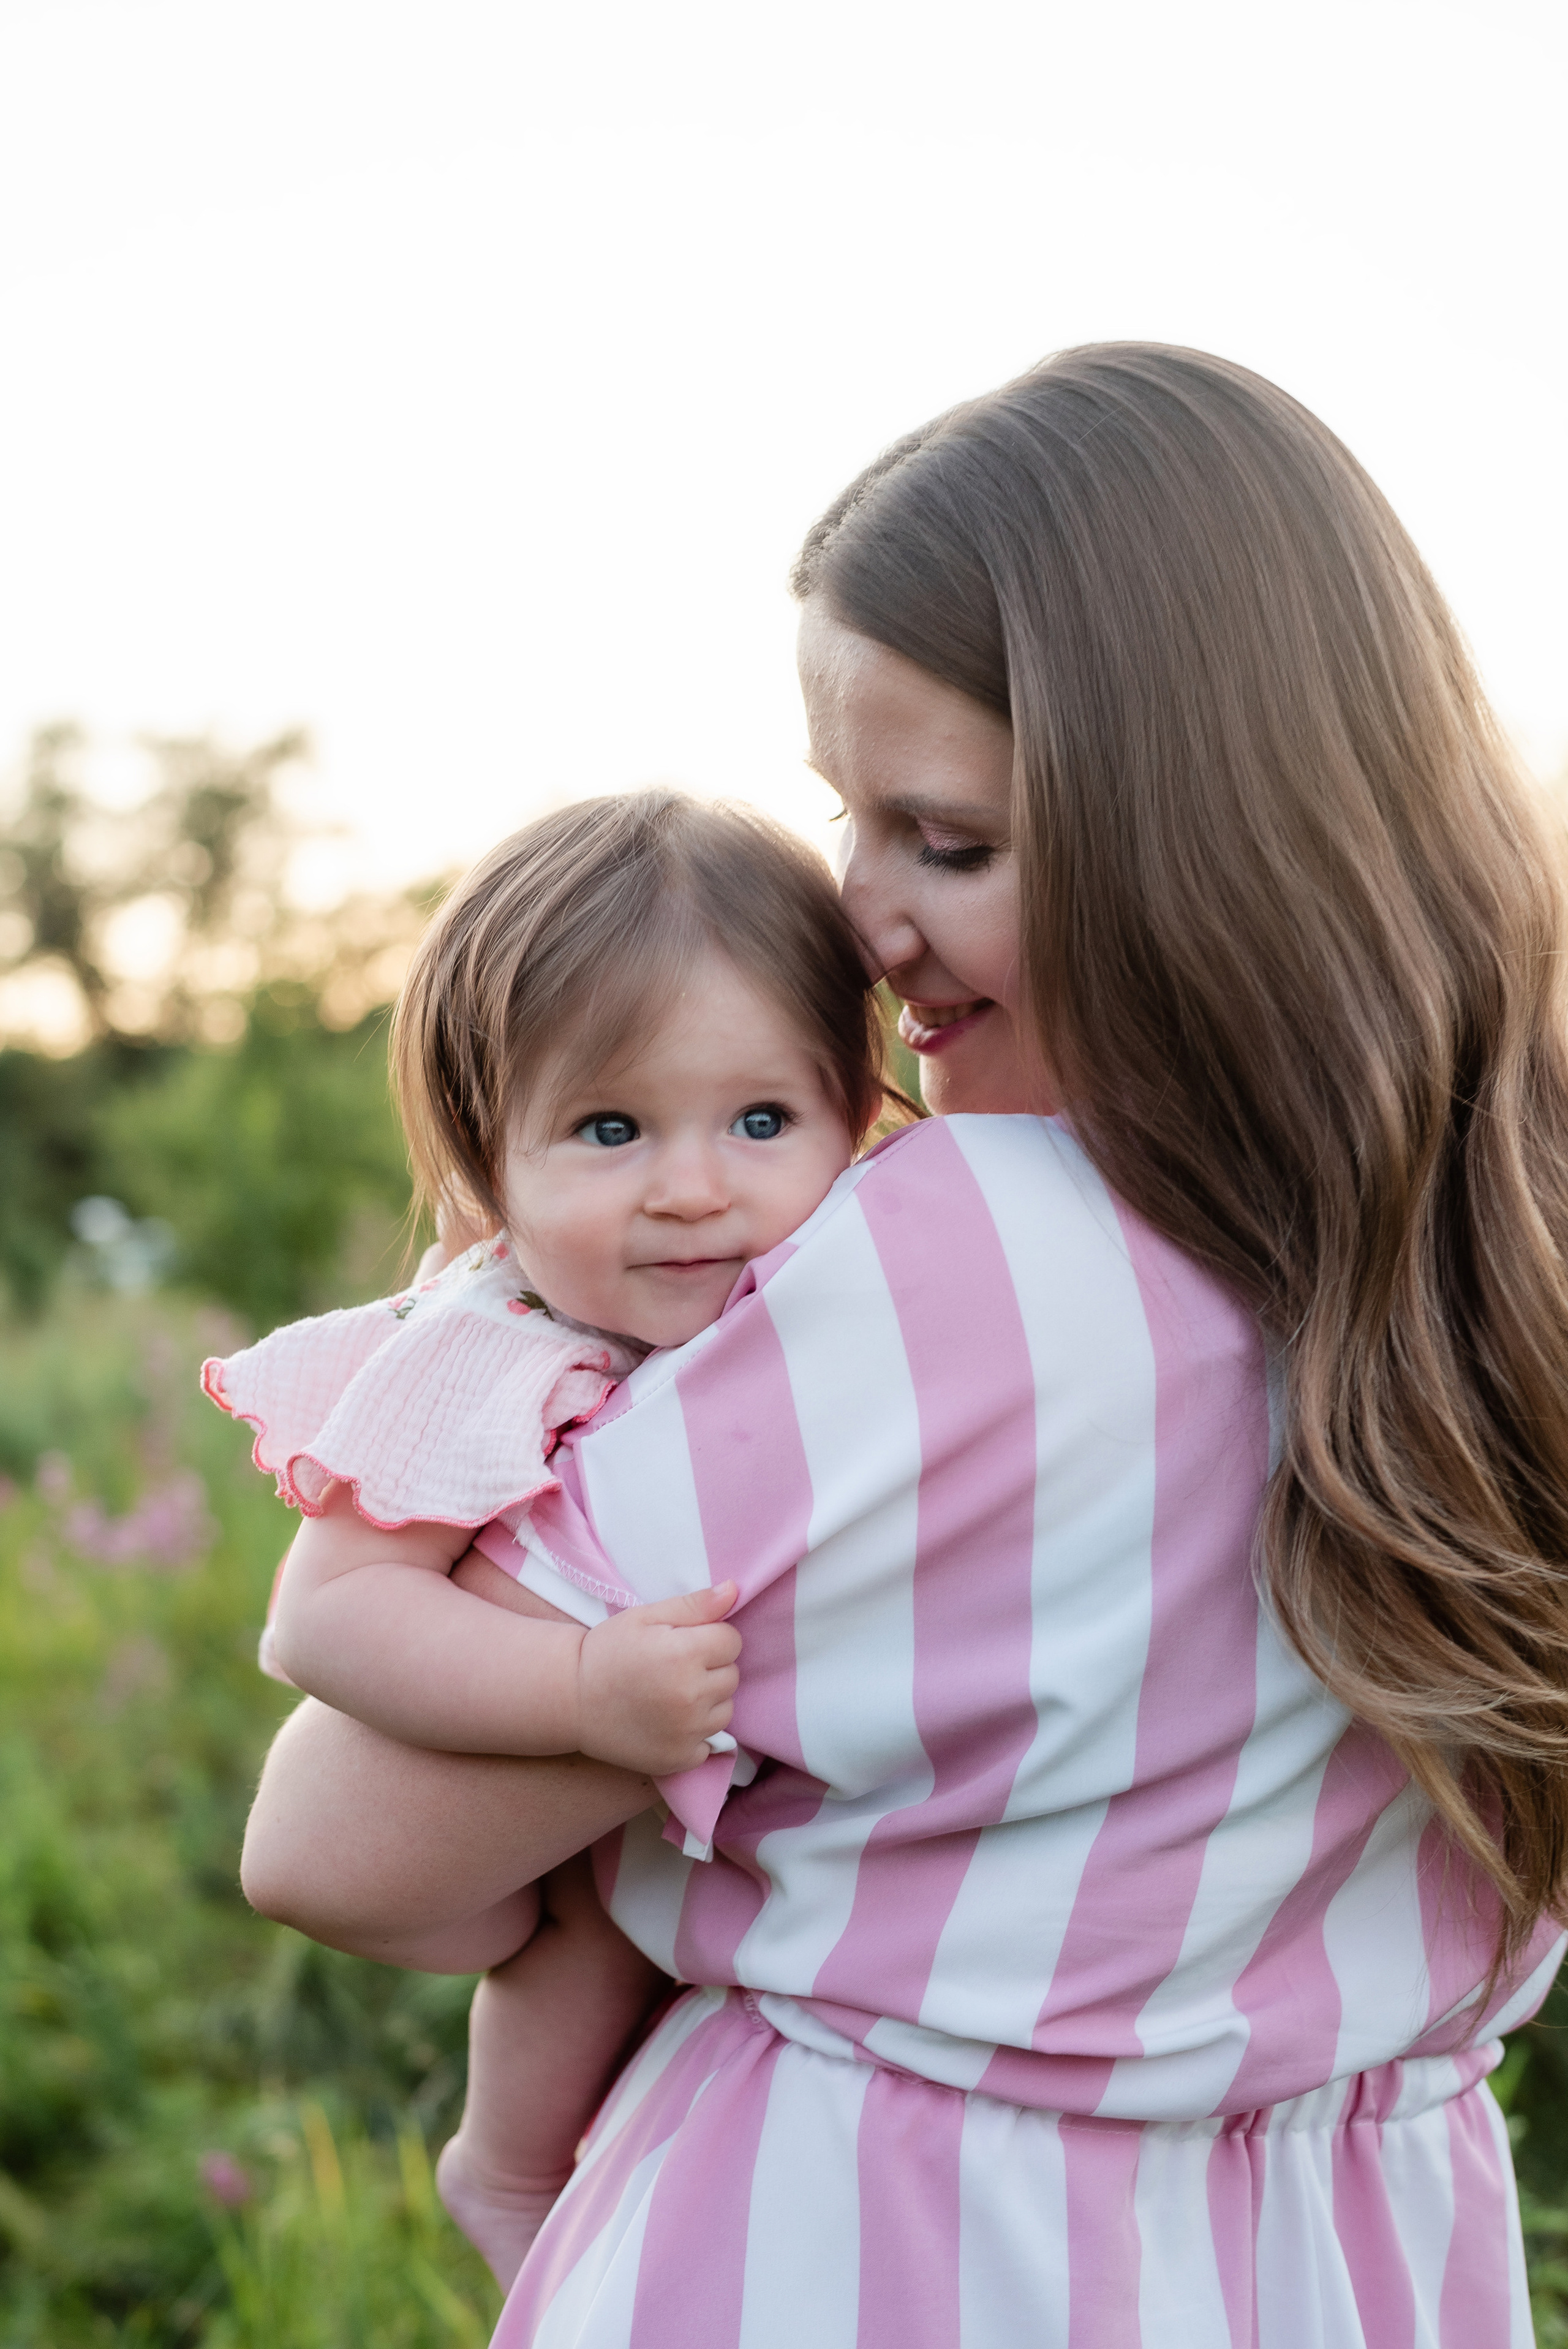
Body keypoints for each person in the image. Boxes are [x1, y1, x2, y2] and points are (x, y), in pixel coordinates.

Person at [239, 344, 1568, 2347]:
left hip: (868, 2250)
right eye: (846, 818)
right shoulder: (1522, 1248)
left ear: (1200, 841)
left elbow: (332, 1847)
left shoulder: (948, 1268)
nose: (858, 919)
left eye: (947, 842)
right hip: (1351, 2259)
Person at [203, 790, 899, 2284]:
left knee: (634, 1931)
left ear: (855, 1108)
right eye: (608, 1129)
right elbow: (323, 1616)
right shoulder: (494, 1341)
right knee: (580, 1932)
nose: (694, 1188)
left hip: (702, 1858)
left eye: (761, 1120)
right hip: (497, 1821)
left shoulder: (834, 1279)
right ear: (490, 1161)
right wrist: (577, 1693)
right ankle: (505, 2167)